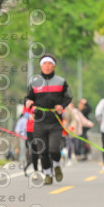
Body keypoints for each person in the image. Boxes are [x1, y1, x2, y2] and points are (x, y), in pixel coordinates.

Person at [25, 53, 73, 185]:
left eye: (50, 63)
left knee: (54, 149)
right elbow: (28, 98)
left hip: (55, 121)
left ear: (54, 66)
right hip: (39, 121)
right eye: (44, 63)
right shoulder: (34, 82)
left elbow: (68, 97)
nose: (47, 66)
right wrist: (29, 103)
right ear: (41, 66)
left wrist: (62, 106)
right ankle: (47, 174)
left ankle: (56, 165)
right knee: (43, 151)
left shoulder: (61, 81)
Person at [63, 102, 94, 166]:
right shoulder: (65, 111)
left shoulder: (77, 112)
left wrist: (89, 123)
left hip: (76, 132)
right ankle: (69, 159)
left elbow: (82, 120)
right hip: (68, 132)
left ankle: (76, 156)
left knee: (77, 146)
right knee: (69, 146)